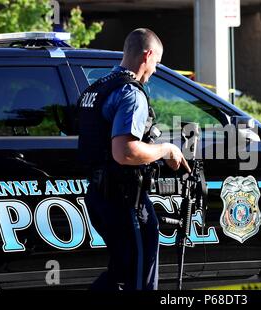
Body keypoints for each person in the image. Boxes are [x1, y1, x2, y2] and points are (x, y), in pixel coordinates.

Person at [78, 28, 190, 290]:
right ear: (148, 55)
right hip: (125, 199)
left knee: (120, 272)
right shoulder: (131, 93)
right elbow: (125, 152)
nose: (155, 70)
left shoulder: (98, 88)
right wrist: (166, 150)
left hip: (98, 195)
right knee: (139, 276)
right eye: (157, 63)